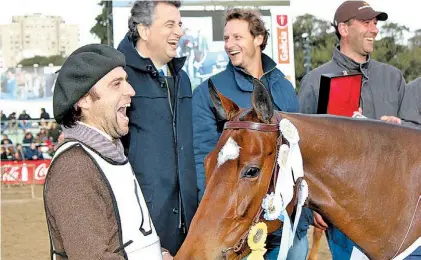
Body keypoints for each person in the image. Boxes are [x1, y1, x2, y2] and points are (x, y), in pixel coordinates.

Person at [298, 1, 421, 259]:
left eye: (375, 23)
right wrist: (312, 207)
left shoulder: (393, 77)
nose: (374, 29)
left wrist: (402, 127)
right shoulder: (315, 82)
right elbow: (301, 151)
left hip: (395, 216)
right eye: (367, 23)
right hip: (343, 220)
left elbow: (414, 143)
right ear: (343, 28)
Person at [192, 8, 313, 260]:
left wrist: (307, 213)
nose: (229, 45)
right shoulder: (210, 91)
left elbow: (301, 156)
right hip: (243, 233)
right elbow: (202, 158)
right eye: (226, 39)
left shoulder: (284, 86)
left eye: (237, 37)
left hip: (290, 229)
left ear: (258, 38)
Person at [44, 43, 173, 260]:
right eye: (116, 84)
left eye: (127, 81)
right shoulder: (74, 167)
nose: (131, 91)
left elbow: (126, 236)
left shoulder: (111, 153)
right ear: (83, 100)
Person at [117, 0, 198, 256]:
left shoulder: (182, 78)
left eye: (180, 24)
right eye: (170, 24)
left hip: (189, 223)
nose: (180, 32)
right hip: (142, 226)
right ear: (144, 30)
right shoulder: (118, 77)